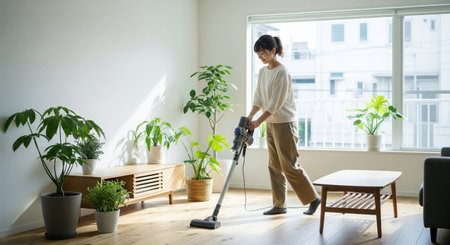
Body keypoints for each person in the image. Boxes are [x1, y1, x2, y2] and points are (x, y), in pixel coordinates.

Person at [247, 34, 321, 215]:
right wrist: (250, 116)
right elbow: (259, 98)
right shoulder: (263, 72)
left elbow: (275, 104)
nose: (261, 58)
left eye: (263, 53)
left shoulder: (282, 72)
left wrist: (258, 122)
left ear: (273, 51)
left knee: (289, 165)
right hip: (270, 123)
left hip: (285, 123)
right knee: (273, 165)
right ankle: (280, 204)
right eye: (258, 55)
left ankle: (313, 198)